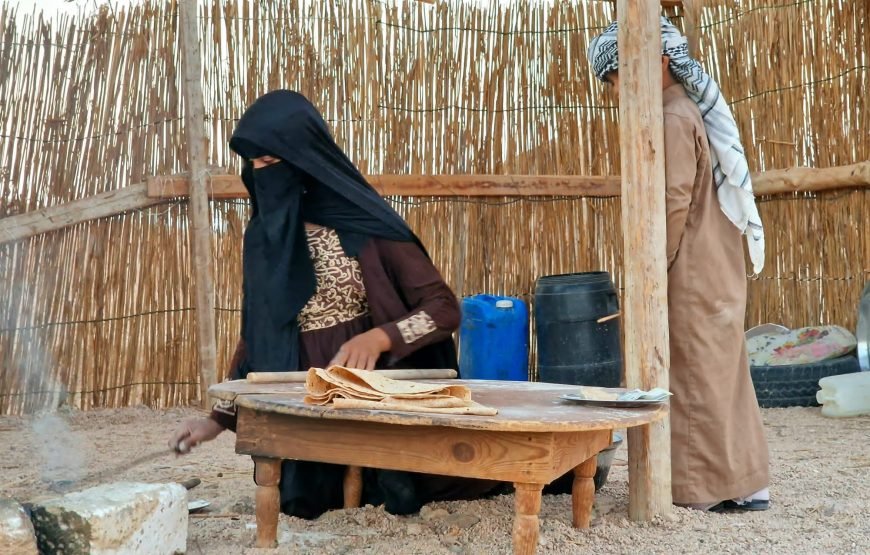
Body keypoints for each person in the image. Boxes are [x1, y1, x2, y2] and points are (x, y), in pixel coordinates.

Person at [168, 90, 500, 518]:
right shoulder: (264, 238)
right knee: (304, 504)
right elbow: (258, 334)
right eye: (252, 164)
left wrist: (381, 337)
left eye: (271, 163)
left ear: (304, 159)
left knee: (420, 488)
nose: (259, 174)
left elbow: (443, 309)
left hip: (374, 406)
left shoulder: (364, 225)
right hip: (303, 413)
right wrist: (216, 419)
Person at [586, 17, 770, 511]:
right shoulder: (684, 109)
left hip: (691, 267)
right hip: (714, 262)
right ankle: (747, 482)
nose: (616, 89)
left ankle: (702, 490)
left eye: (619, 76)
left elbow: (670, 204)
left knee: (693, 374)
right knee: (722, 373)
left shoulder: (670, 116)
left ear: (659, 63)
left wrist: (652, 272)